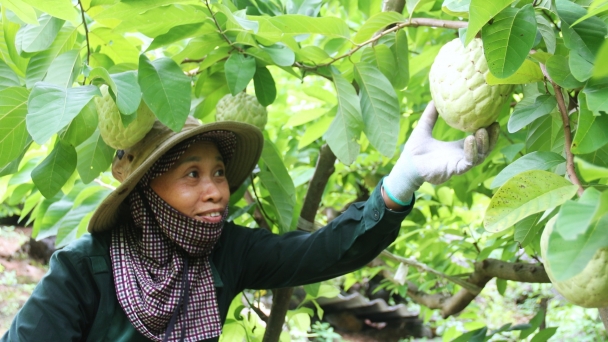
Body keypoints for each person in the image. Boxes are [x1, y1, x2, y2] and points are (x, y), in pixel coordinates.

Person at [2, 102, 498, 342]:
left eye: (218, 172)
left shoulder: (226, 251)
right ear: (146, 189)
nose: (215, 189)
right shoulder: (85, 267)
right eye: (190, 174)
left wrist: (401, 182)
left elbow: (321, 252)